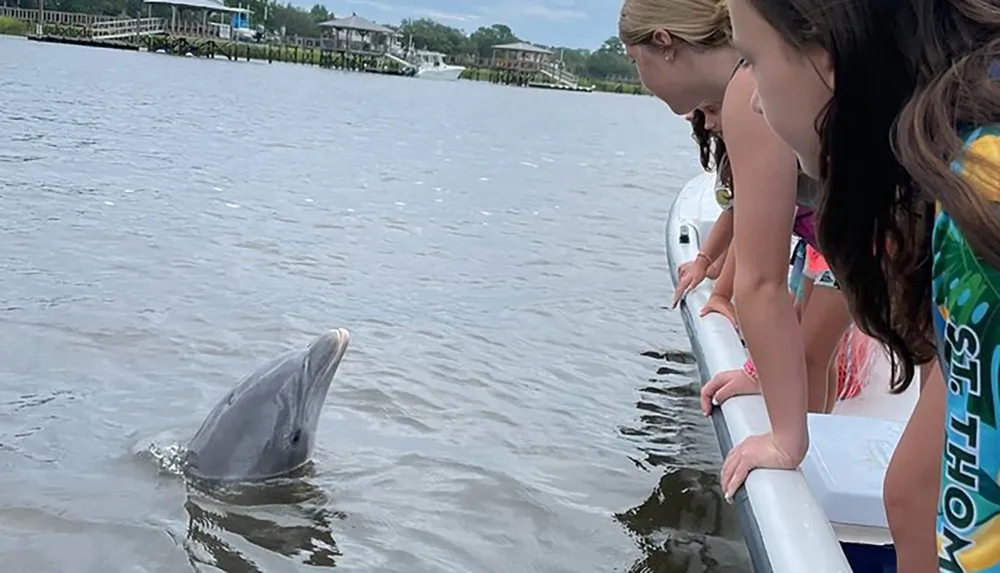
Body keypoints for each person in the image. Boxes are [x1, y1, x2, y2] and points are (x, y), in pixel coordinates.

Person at [723, 0, 998, 569]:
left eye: (753, 58)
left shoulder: (979, 200)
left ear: (827, 52)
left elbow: (978, 533)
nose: (752, 99)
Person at [620, 0, 856, 503]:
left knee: (911, 491)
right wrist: (757, 371)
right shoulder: (760, 83)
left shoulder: (746, 89)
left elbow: (762, 280)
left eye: (634, 64)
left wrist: (786, 441)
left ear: (664, 44)